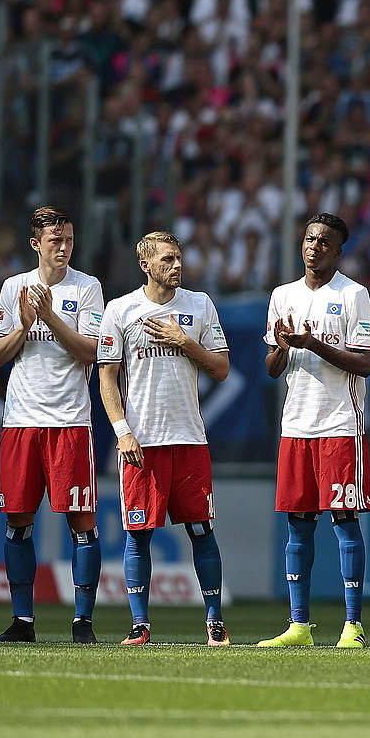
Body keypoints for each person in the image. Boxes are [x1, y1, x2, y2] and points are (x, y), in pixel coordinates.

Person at [97, 231, 232, 647]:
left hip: (189, 439)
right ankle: (140, 625)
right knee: (139, 534)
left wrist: (185, 343)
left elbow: (221, 369)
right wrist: (122, 432)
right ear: (146, 265)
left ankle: (214, 622)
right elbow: (106, 377)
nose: (177, 266)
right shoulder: (120, 309)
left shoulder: (199, 305)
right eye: (168, 259)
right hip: (142, 442)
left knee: (201, 530)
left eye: (179, 258)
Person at [257, 213, 370, 649]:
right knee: (299, 525)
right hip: (297, 425)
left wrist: (314, 344)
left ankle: (352, 625)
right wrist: (286, 347)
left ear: (338, 251)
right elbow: (271, 368)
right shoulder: (282, 295)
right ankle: (299, 625)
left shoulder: (353, 295)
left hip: (341, 424)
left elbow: (364, 363)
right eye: (309, 239)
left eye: (324, 242)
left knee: (345, 522)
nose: (314, 247)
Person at [0, 207, 104, 644]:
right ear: (36, 244)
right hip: (21, 420)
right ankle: (22, 622)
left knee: (82, 523)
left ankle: (82, 622)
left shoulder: (87, 287)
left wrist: (51, 317)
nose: (64, 248)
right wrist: (25, 323)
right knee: (17, 520)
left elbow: (91, 351)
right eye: (55, 241)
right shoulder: (14, 287)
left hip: (70, 421)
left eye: (69, 240)